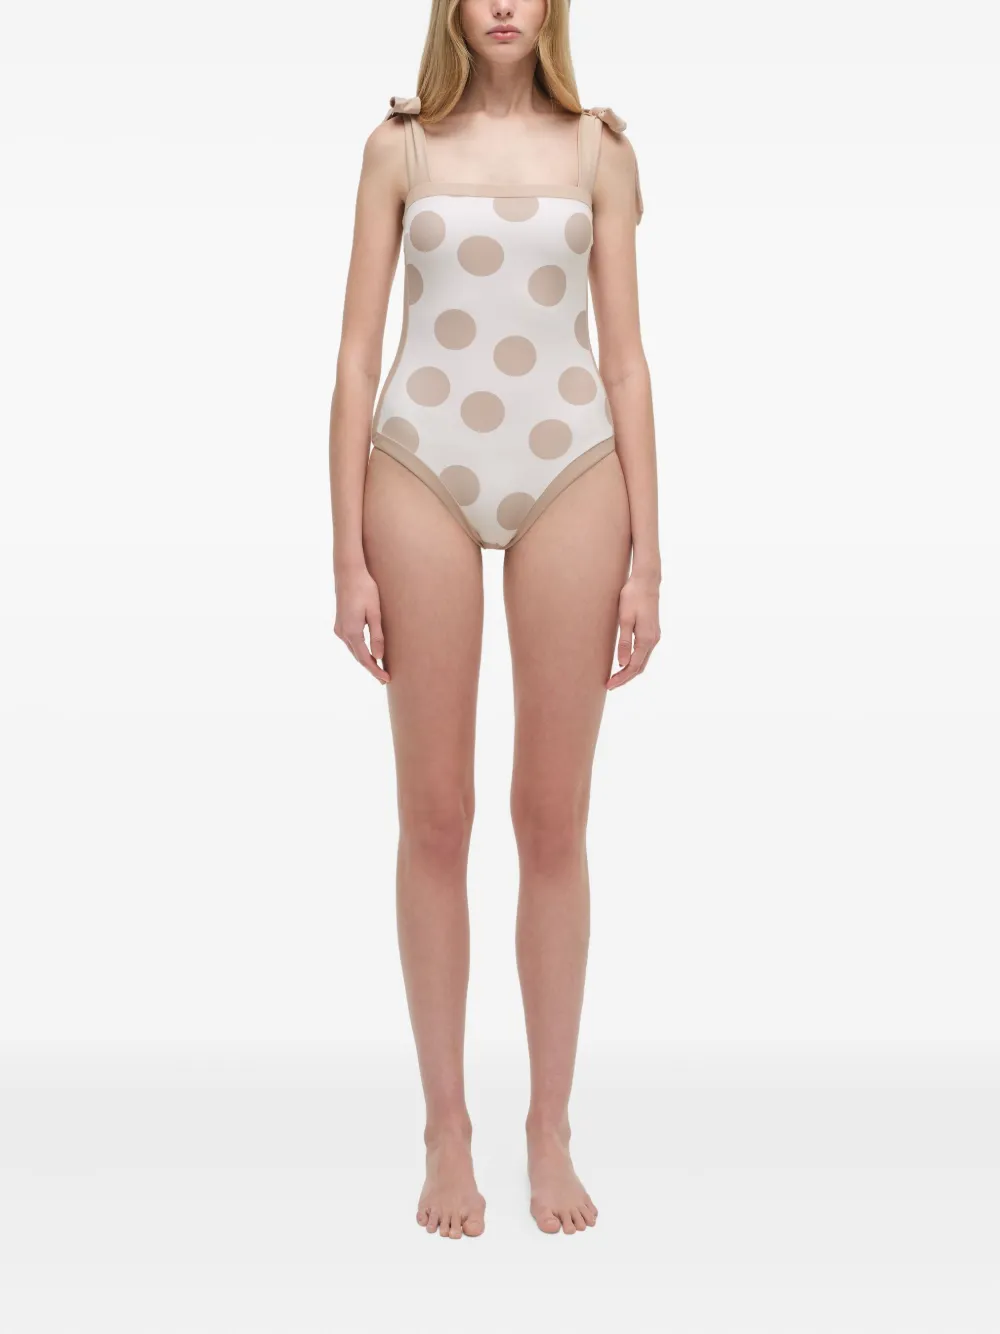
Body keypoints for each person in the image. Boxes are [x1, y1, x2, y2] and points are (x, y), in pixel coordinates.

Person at [328, 0, 660, 1239]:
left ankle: (549, 1123)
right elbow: (355, 355)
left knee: (551, 816)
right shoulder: (397, 149)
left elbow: (625, 361)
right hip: (419, 462)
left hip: (571, 464)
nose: (505, 4)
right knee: (436, 812)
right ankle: (446, 1124)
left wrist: (650, 560)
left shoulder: (599, 151)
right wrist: (345, 553)